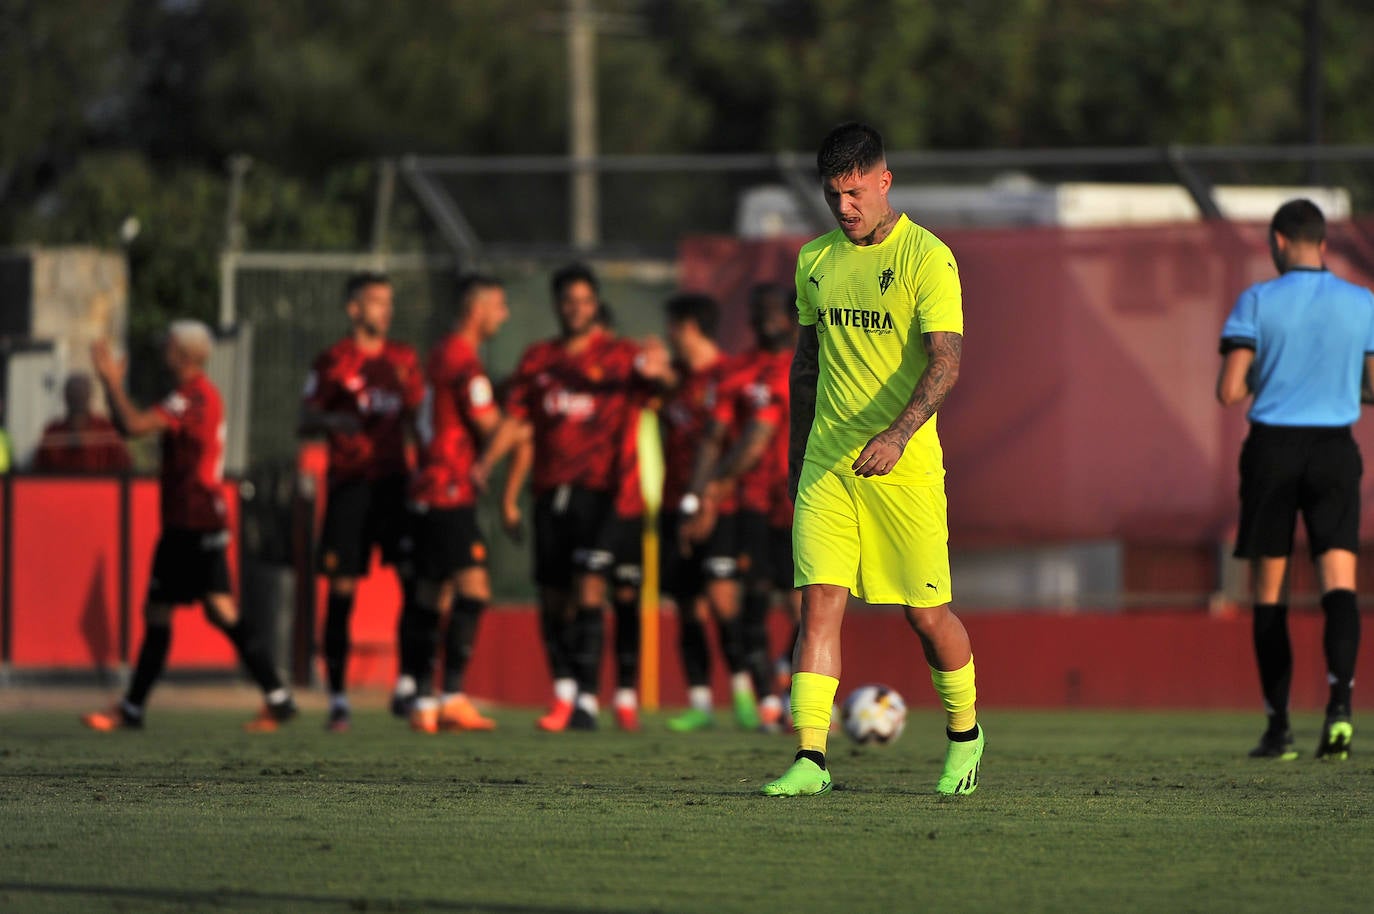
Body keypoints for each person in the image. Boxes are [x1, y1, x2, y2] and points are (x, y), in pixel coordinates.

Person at [761, 122, 982, 797]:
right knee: (819, 604)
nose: (845, 208)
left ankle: (967, 737)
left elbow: (946, 362)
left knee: (926, 617)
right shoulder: (815, 261)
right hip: (829, 465)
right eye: (834, 197)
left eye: (855, 193)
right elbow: (805, 368)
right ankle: (810, 760)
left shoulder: (928, 258)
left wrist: (898, 434)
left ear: (884, 181)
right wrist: (800, 458)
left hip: (903, 468)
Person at [1217, 198, 1374, 761]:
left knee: (1270, 594)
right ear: (1323, 243)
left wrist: (1275, 370)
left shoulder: (1257, 300)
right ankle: (1340, 713)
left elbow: (1229, 391)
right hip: (1334, 450)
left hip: (1273, 450)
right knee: (1339, 584)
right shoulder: (1362, 303)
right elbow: (1373, 387)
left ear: (1279, 242)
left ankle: (1279, 729)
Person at [82, 322, 297, 732]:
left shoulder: (193, 396)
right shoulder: (192, 395)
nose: (162, 348)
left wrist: (110, 383)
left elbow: (134, 426)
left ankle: (133, 709)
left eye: (168, 343)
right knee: (215, 612)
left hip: (194, 523)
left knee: (168, 611)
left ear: (184, 353)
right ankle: (278, 696)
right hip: (195, 520)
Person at [484, 264, 666, 731]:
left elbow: (661, 394)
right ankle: (565, 691)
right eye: (569, 301)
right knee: (552, 596)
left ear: (595, 304)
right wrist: (485, 466)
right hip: (550, 492)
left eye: (585, 301)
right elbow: (518, 420)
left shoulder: (622, 357)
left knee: (592, 586)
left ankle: (589, 697)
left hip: (607, 494)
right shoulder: (538, 359)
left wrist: (663, 371)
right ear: (558, 305)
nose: (577, 309)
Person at [299, 272, 424, 732]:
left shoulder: (403, 359)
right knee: (342, 591)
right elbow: (304, 418)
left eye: (389, 302)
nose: (385, 311)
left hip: (394, 484)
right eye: (375, 302)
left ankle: (408, 684)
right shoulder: (333, 360)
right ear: (354, 309)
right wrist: (336, 419)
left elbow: (417, 416)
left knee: (413, 583)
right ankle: (337, 698)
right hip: (350, 485)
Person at [691, 283, 802, 732]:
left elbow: (757, 439)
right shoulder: (737, 372)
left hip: (805, 501)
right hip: (752, 503)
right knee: (752, 601)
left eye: (773, 312)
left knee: (810, 607)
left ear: (794, 317)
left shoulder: (813, 365)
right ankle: (770, 705)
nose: (764, 321)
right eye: (758, 312)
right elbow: (719, 438)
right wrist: (703, 494)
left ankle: (795, 687)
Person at [404, 274, 509, 734]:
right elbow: (488, 424)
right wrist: (517, 430)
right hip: (448, 489)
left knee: (431, 594)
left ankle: (424, 700)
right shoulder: (464, 361)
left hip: (429, 486)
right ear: (478, 309)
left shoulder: (439, 352)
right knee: (474, 589)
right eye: (499, 307)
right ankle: (450, 697)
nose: (504, 316)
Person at [656, 292, 758, 733]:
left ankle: (744, 695)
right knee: (686, 604)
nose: (668, 337)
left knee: (721, 601)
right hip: (674, 501)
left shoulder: (730, 376)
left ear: (688, 327)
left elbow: (734, 448)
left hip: (721, 508)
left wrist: (710, 501)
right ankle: (700, 701)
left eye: (672, 328)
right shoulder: (674, 380)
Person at [32, 373, 132, 473]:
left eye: (81, 392)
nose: (77, 397)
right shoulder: (53, 432)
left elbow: (124, 468)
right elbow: (39, 472)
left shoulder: (104, 429)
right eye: (73, 392)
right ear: (65, 396)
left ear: (89, 395)